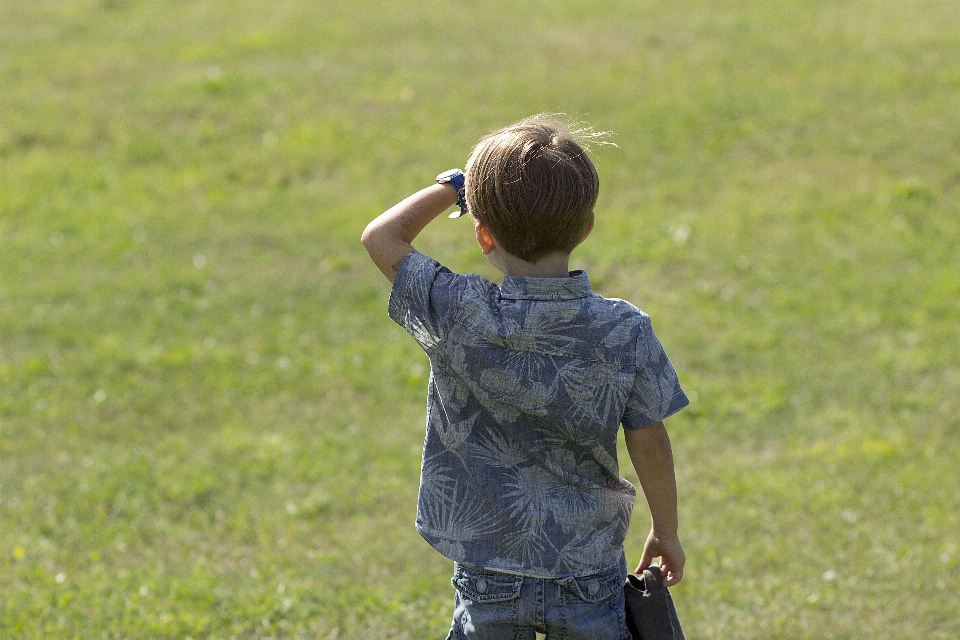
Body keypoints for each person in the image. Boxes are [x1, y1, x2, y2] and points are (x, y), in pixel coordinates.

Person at [361, 114, 688, 640]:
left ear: (483, 235)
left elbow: (381, 237)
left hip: (488, 566)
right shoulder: (623, 329)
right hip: (588, 570)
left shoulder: (457, 313)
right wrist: (666, 531)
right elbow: (648, 437)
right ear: (586, 227)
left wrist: (454, 186)